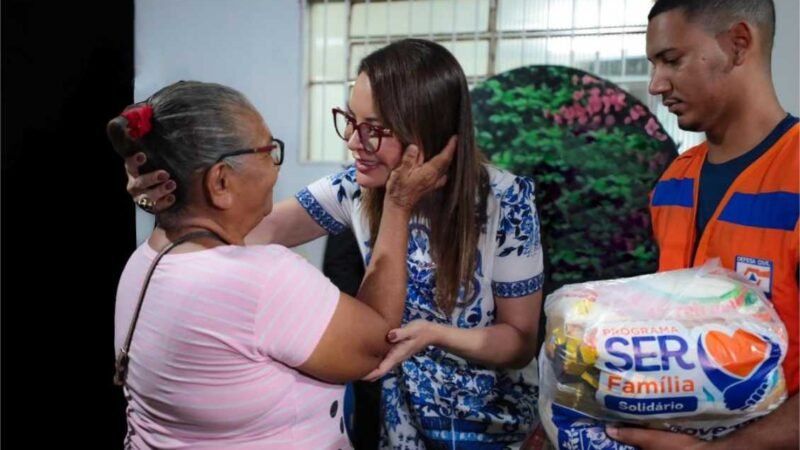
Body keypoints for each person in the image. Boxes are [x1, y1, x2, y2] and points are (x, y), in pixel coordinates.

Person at [125, 40, 545, 449]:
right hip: (400, 425)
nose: (353, 143)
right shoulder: (355, 190)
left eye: (375, 130)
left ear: (429, 131)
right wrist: (179, 195)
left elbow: (519, 341)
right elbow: (246, 226)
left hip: (489, 424)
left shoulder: (505, 201)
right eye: (350, 120)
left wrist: (435, 334)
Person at [109, 80, 452, 449]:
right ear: (220, 181)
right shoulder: (262, 279)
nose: (275, 169)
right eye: (269, 152)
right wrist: (398, 205)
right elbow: (377, 344)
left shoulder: (145, 261)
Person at [605, 1, 799, 449]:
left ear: (738, 44)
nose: (656, 85)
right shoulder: (672, 182)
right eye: (654, 65)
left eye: (672, 60)